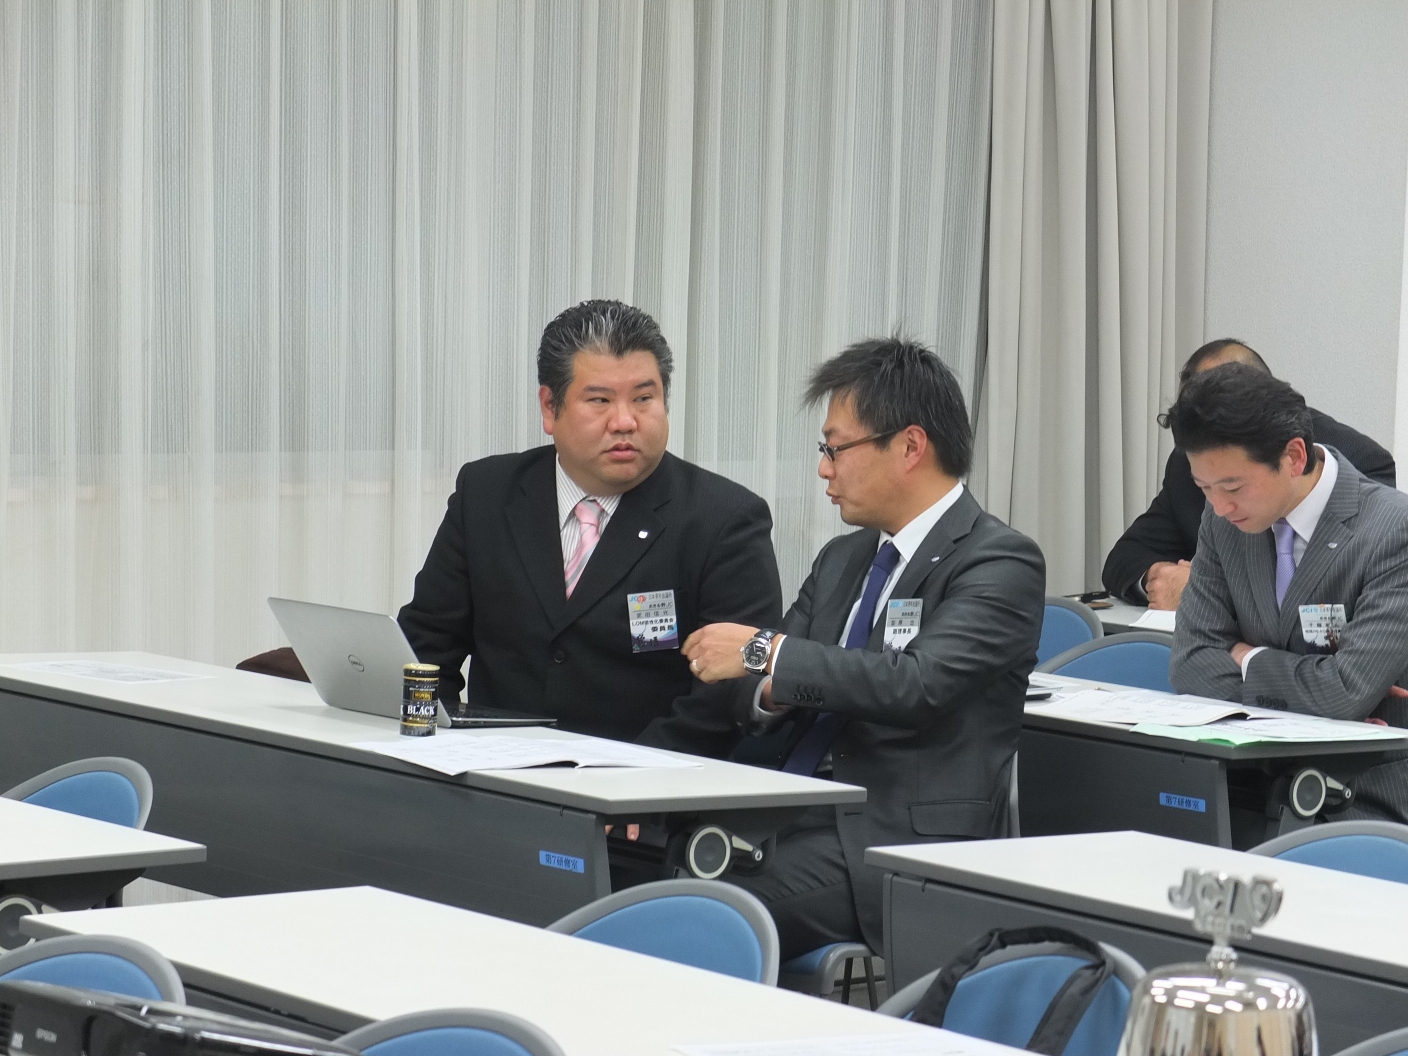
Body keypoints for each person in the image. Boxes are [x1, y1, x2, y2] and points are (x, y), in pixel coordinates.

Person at [682, 338, 1045, 958]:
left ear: (909, 446)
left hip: (890, 838)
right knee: (624, 874)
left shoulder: (998, 560)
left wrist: (768, 655)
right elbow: (753, 683)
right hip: (784, 808)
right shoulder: (843, 558)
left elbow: (916, 685)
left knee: (700, 920)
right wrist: (769, 682)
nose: (824, 469)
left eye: (836, 448)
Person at [398, 299, 783, 758]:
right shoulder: (487, 493)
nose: (625, 421)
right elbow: (426, 645)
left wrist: (630, 776)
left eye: (644, 398)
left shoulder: (724, 518)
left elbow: (727, 690)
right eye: (600, 400)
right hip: (491, 772)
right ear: (550, 407)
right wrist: (439, 748)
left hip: (649, 778)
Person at [1168, 363, 1408, 823]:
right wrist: (1319, 690)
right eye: (1204, 488)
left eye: (1233, 486)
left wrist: (1247, 657)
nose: (1220, 505)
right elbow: (1191, 664)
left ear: (1294, 457)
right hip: (1247, 781)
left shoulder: (1392, 530)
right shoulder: (1223, 522)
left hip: (1361, 794)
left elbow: (1346, 693)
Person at [1102, 339, 1395, 609]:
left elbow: (1363, 587)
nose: (1220, 507)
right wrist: (1161, 577)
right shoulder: (1190, 465)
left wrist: (1204, 592)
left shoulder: (1359, 461)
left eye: (1233, 487)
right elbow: (1126, 557)